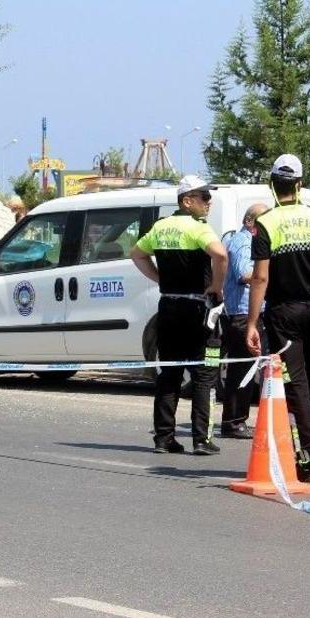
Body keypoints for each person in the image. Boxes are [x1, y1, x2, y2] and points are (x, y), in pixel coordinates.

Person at [245, 154, 310, 483]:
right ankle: (309, 452)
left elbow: (260, 279)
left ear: (273, 186)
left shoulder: (266, 224)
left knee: (296, 385)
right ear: (300, 185)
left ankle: (309, 455)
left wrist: (250, 323)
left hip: (284, 312)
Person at [131, 174, 228, 455]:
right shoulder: (197, 228)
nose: (209, 203)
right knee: (204, 373)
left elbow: (136, 254)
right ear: (187, 201)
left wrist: (160, 278)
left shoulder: (160, 227)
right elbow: (221, 256)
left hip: (169, 307)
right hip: (198, 308)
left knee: (169, 373)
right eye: (204, 197)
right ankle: (202, 439)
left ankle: (163, 438)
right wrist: (217, 287)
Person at [219, 203, 269, 439]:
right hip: (241, 314)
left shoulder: (250, 241)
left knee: (246, 368)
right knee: (242, 369)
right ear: (250, 222)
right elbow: (243, 273)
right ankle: (233, 421)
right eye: (263, 221)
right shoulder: (243, 241)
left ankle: (236, 418)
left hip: (247, 312)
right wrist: (267, 273)